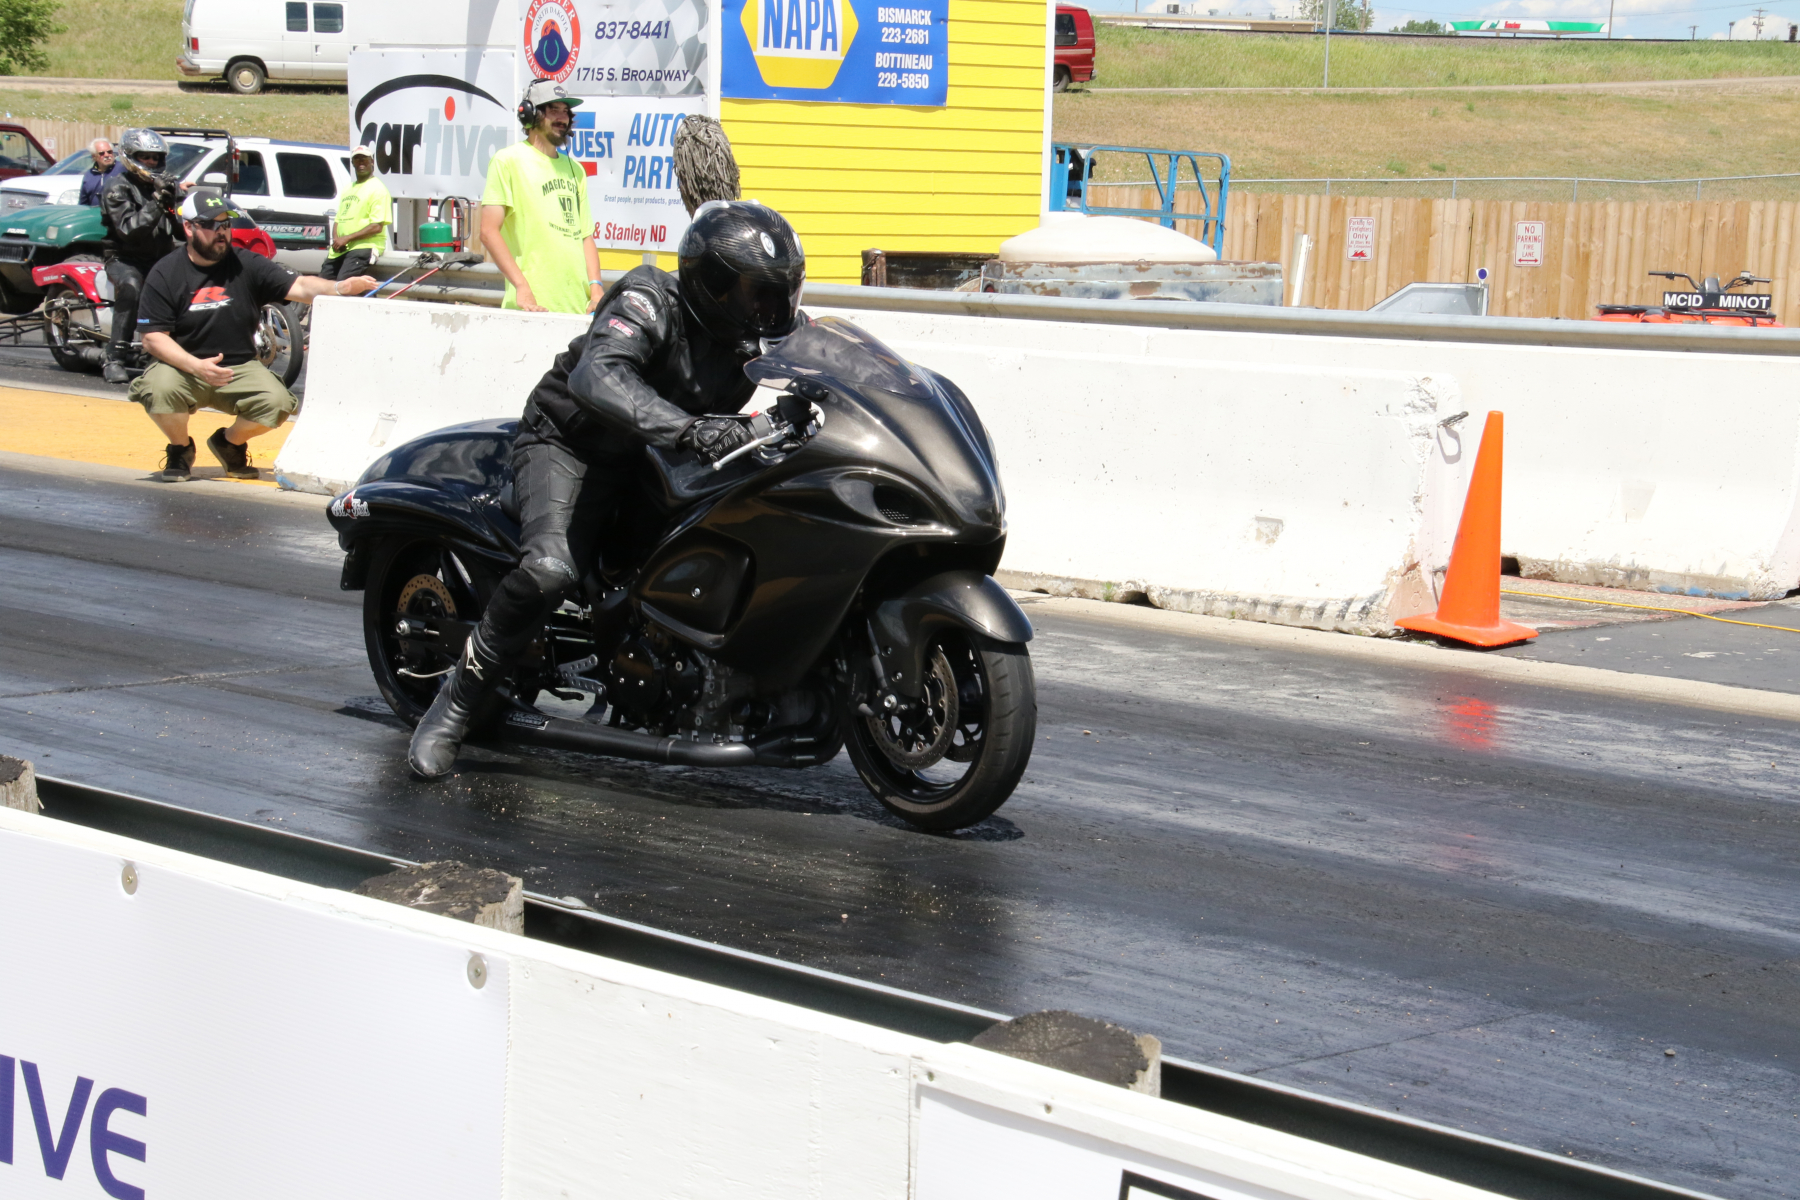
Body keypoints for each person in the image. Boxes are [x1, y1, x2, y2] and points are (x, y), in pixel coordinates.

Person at [408, 200, 806, 779]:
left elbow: (826, 355)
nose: (771, 307)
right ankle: (454, 706)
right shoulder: (649, 300)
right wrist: (690, 430)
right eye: (757, 292)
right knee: (550, 569)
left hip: (660, 454)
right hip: (574, 443)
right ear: (714, 285)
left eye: (780, 292)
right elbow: (599, 374)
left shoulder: (760, 328)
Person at [130, 188, 380, 483]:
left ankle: (229, 443)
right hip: (184, 367)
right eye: (211, 225)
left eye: (225, 224)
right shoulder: (166, 272)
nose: (221, 232)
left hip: (239, 367)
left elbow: (300, 286)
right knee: (157, 389)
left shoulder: (246, 263)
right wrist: (196, 366)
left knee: (278, 403)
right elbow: (153, 337)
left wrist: (339, 287)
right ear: (189, 228)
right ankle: (180, 448)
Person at [479, 78, 603, 315]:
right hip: (530, 307)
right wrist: (521, 286)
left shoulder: (576, 170)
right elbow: (488, 231)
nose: (562, 118)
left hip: (578, 310)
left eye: (565, 111)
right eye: (553, 109)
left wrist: (596, 289)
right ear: (530, 115)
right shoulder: (507, 161)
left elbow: (585, 237)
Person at [99, 128, 183, 385]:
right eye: (145, 156)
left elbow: (183, 230)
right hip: (125, 259)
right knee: (132, 285)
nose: (151, 162)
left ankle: (174, 352)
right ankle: (115, 357)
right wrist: (157, 203)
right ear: (130, 157)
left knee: (190, 286)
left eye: (155, 157)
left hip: (161, 258)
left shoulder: (167, 185)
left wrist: (175, 207)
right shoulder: (117, 186)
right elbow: (129, 231)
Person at [320, 144, 390, 282]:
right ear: (352, 162)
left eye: (364, 159)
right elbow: (339, 219)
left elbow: (376, 226)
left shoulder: (378, 189)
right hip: (340, 248)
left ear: (372, 162)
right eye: (357, 159)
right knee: (321, 284)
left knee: (343, 283)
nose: (361, 162)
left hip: (363, 247)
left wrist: (347, 238)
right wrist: (337, 240)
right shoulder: (348, 188)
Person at [78, 138, 124, 207]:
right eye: (102, 153)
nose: (107, 155)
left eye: (109, 152)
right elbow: (83, 204)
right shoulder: (89, 175)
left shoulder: (123, 169)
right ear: (94, 156)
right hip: (95, 213)